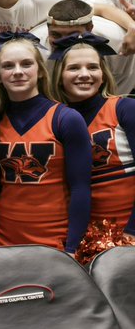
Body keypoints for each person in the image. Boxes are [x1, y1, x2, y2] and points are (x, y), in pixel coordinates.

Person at [0, 34, 90, 252]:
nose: (17, 71)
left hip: (55, 240)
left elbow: (81, 188)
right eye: (8, 65)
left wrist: (72, 248)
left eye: (26, 64)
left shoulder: (66, 118)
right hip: (4, 239)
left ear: (41, 71)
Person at [47, 32, 135, 252]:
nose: (84, 74)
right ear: (59, 75)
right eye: (74, 68)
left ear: (103, 74)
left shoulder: (124, 109)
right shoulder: (54, 118)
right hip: (81, 236)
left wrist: (132, 233)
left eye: (93, 67)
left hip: (128, 232)